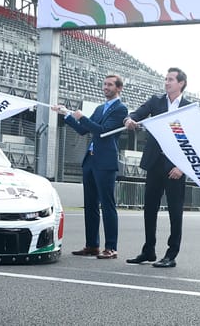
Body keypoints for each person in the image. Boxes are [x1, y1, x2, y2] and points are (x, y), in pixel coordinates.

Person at [53, 74, 129, 260]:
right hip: (90, 161)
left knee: (107, 205)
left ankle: (111, 247)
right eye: (104, 84)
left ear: (119, 88)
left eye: (110, 85)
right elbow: (83, 129)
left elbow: (103, 132)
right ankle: (92, 245)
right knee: (90, 205)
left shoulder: (121, 109)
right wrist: (67, 114)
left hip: (105, 162)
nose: (105, 87)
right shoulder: (100, 108)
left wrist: (82, 117)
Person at [123, 67, 192, 268]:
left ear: (181, 83)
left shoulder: (189, 108)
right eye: (166, 79)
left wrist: (182, 167)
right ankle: (149, 250)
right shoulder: (156, 101)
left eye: (171, 79)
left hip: (175, 167)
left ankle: (171, 254)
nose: (167, 82)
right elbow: (137, 113)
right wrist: (129, 119)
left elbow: (193, 142)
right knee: (149, 209)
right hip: (155, 162)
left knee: (175, 212)